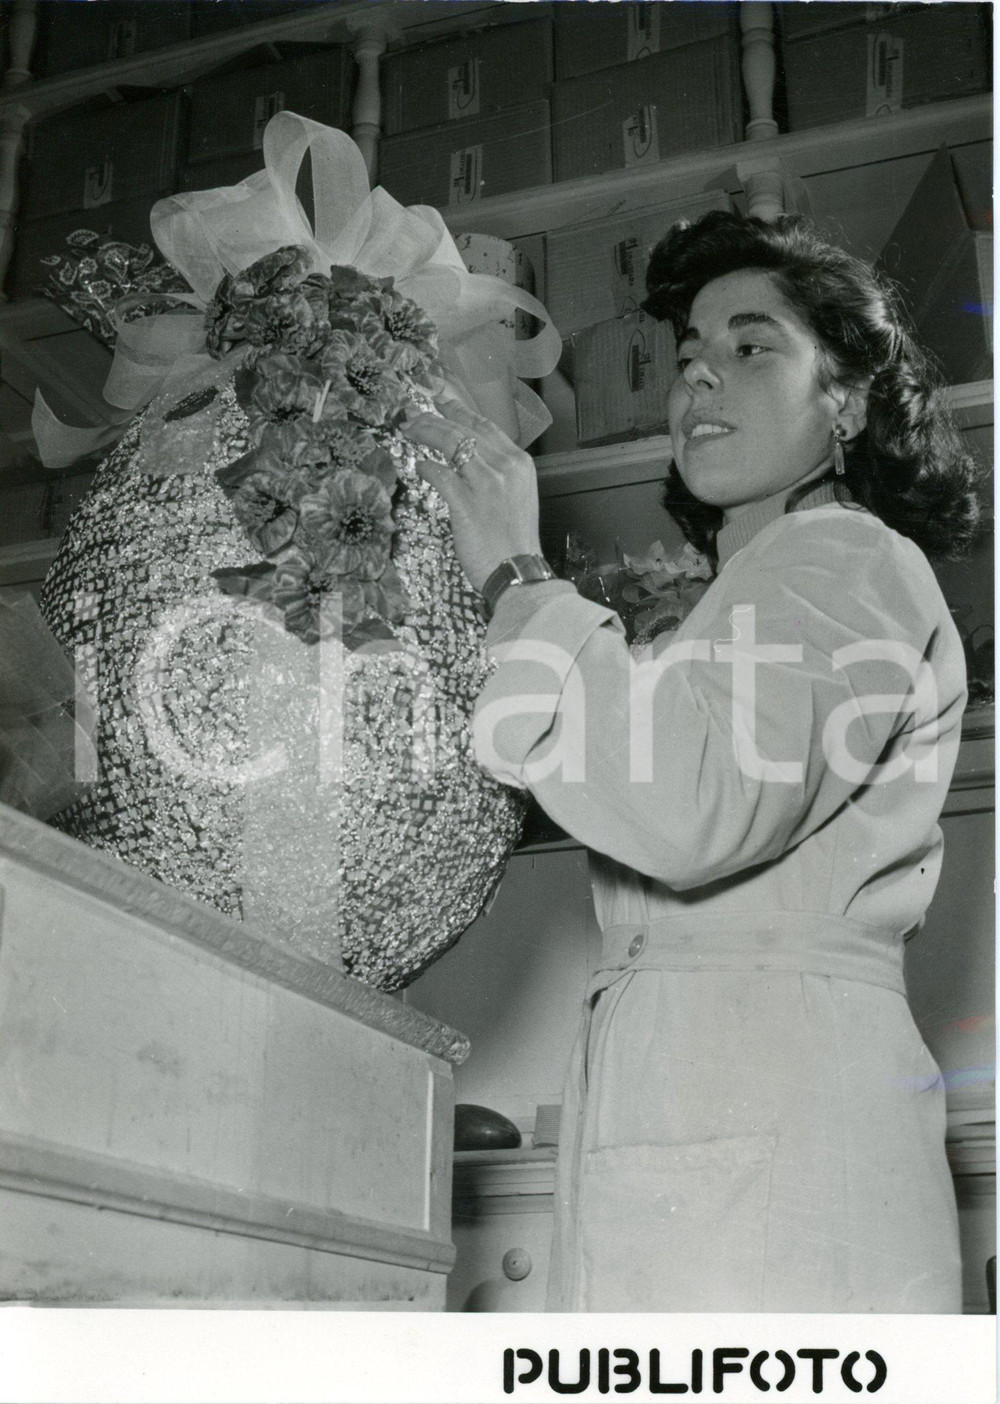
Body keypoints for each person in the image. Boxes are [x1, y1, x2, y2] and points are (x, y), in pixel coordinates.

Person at [403, 211, 980, 1313]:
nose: (700, 379)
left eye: (751, 346)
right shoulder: (757, 594)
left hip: (772, 1096)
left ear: (847, 398)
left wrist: (515, 573)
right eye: (688, 356)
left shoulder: (847, 558)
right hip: (720, 1089)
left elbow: (688, 807)